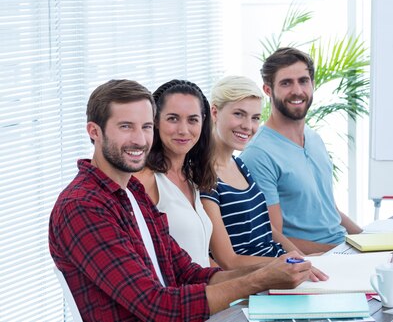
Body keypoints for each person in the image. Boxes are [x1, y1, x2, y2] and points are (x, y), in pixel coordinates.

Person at [49, 79, 313, 322]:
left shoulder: (132, 193)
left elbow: (189, 273)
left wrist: (271, 271)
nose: (140, 140)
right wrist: (258, 281)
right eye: (126, 127)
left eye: (146, 127)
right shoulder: (83, 206)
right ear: (94, 131)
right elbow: (156, 305)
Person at [240, 47, 362, 254]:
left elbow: (329, 209)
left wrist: (366, 240)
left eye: (303, 81)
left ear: (312, 84)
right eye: (286, 83)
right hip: (312, 260)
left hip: (341, 249)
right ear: (268, 90)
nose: (297, 91)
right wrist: (339, 251)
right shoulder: (258, 155)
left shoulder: (313, 138)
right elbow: (273, 237)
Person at [200, 75, 306, 268]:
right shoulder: (205, 177)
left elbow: (268, 228)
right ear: (214, 112)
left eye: (255, 118)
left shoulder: (239, 165)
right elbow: (228, 260)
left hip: (280, 267)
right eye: (239, 114)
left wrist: (301, 259)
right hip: (260, 277)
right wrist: (286, 265)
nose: (248, 126)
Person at [134, 79, 215, 267]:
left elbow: (200, 259)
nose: (183, 130)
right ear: (155, 121)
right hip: (178, 295)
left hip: (205, 292)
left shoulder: (191, 177)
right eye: (173, 118)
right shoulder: (145, 180)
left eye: (193, 120)